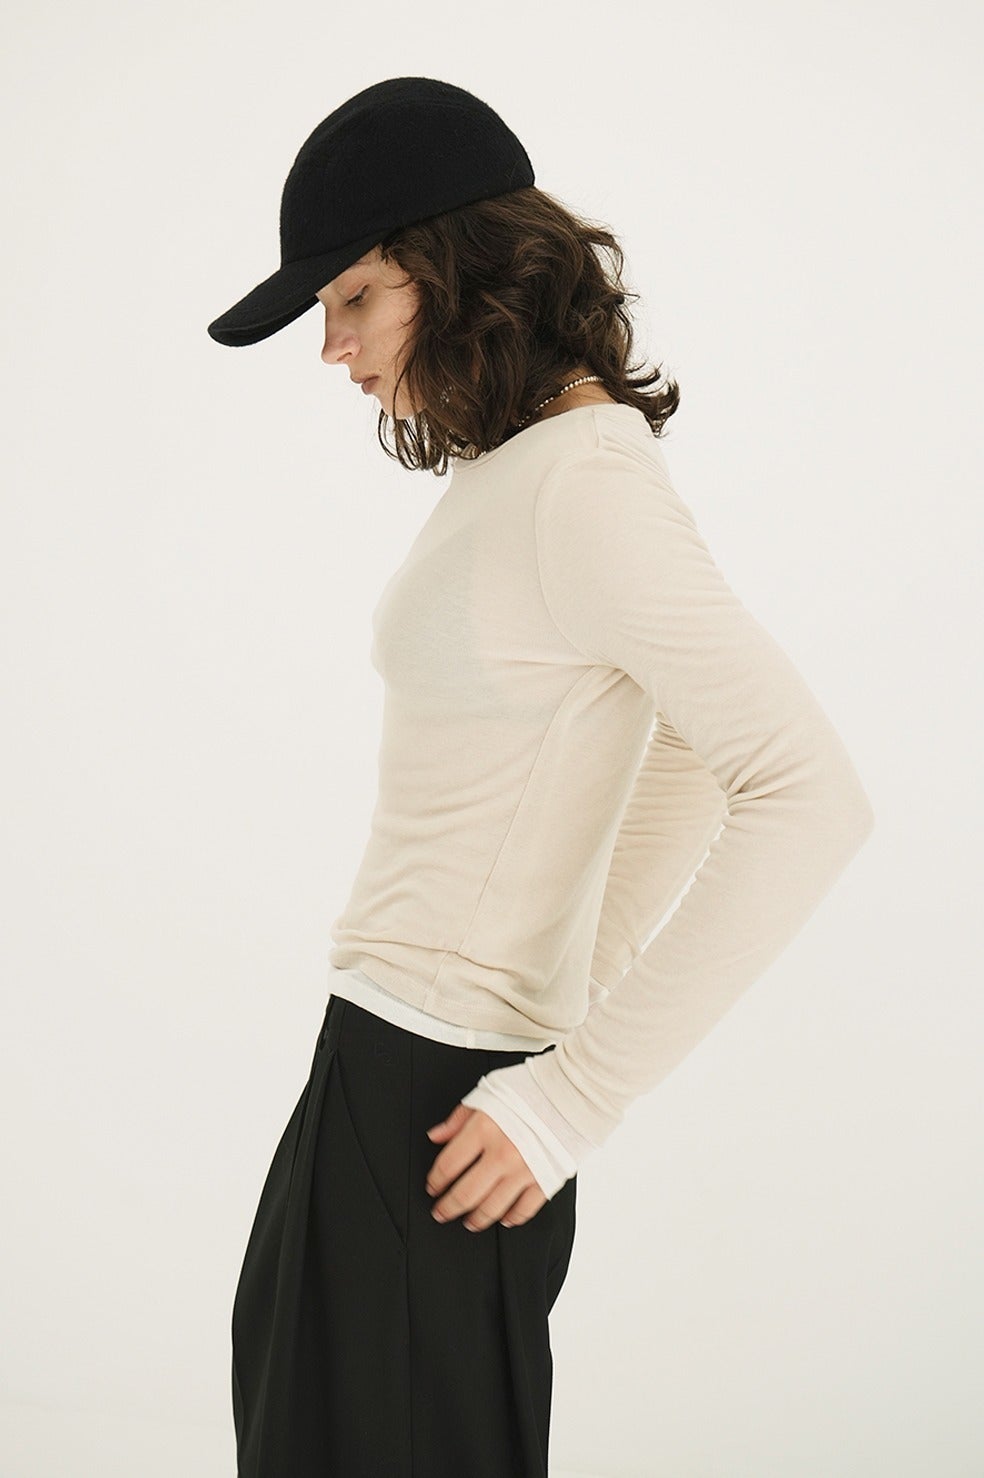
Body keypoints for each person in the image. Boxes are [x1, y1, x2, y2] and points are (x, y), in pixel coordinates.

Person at [208, 77, 875, 1478]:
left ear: (455, 269)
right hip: (383, 1078)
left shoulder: (586, 481)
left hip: (436, 1113)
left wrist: (569, 1090)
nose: (332, 348)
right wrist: (572, 983)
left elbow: (805, 790)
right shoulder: (524, 468)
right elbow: (679, 741)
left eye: (353, 298)